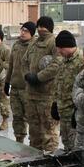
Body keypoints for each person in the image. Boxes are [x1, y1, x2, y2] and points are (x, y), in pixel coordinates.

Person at [21, 16, 62, 152]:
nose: (40, 29)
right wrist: (27, 75)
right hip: (31, 95)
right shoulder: (34, 43)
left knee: (48, 132)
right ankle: (34, 157)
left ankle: (50, 160)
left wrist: (38, 77)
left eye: (43, 27)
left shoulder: (54, 43)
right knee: (34, 132)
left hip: (47, 96)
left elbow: (57, 64)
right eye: (38, 26)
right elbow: (24, 61)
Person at [52, 30, 84, 151]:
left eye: (60, 48)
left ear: (68, 46)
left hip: (74, 114)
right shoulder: (63, 61)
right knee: (66, 144)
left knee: (75, 148)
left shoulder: (82, 61)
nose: (59, 51)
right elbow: (58, 83)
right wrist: (55, 103)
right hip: (63, 113)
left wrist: (77, 112)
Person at [5, 22, 36, 143]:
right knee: (17, 117)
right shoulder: (16, 45)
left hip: (28, 89)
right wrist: (7, 82)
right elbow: (11, 65)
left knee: (31, 118)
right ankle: (19, 140)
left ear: (32, 33)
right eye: (22, 30)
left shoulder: (34, 46)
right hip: (16, 87)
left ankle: (33, 143)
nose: (22, 33)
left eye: (26, 31)